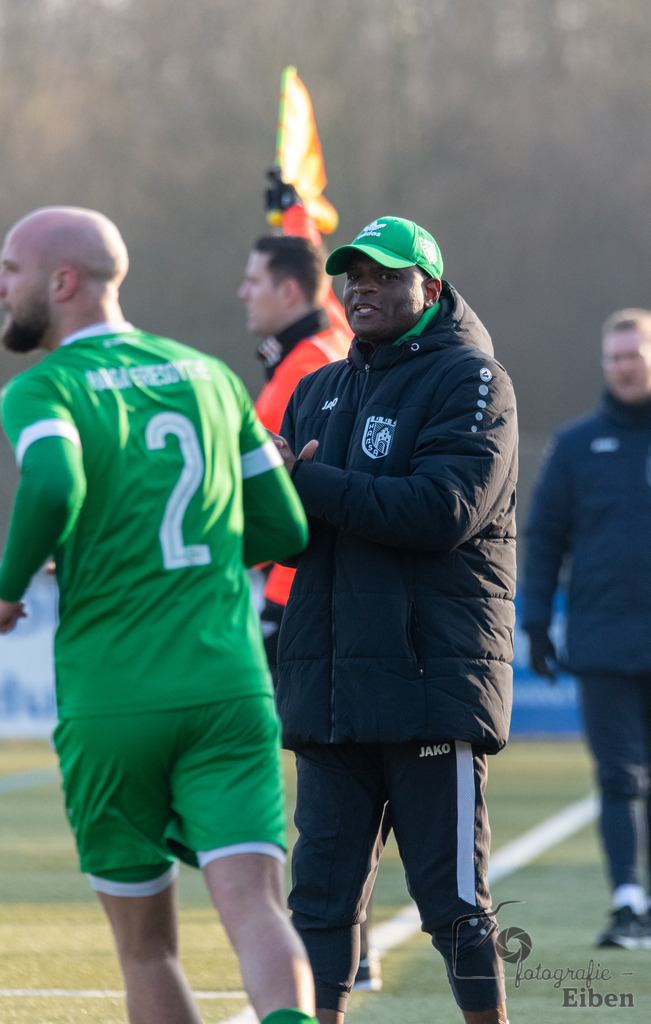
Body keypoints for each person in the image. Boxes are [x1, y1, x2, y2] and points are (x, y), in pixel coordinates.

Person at [0, 205, 319, 1024]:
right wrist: (186, 564)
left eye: (10, 269)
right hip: (227, 690)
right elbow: (286, 531)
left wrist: (6, 591)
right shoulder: (209, 376)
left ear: (63, 282)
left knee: (147, 949)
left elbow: (53, 483)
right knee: (257, 910)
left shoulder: (43, 387)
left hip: (114, 700)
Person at [272, 216, 518, 1024]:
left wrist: (308, 486)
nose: (362, 289)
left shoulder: (472, 380)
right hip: (330, 690)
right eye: (354, 276)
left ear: (429, 288)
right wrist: (254, 503)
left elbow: (441, 511)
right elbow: (285, 531)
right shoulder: (316, 390)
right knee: (317, 905)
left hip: (426, 687)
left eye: (384, 275)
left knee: (453, 905)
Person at [239, 181, 381, 991]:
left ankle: (339, 939)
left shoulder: (313, 360)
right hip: (286, 591)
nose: (242, 293)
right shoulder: (298, 356)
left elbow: (273, 486)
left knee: (331, 767)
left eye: (253, 280)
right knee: (321, 765)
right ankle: (341, 938)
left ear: (291, 290)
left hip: (307, 596)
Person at [521, 308, 651, 950]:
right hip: (602, 641)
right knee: (618, 777)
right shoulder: (576, 445)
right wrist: (536, 621)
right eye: (615, 357)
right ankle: (629, 902)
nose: (625, 367)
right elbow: (545, 536)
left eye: (635, 354)